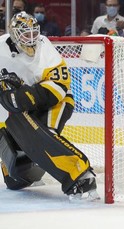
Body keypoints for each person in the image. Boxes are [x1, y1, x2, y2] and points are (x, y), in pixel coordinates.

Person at [0, 12, 99, 201]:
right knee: (14, 171)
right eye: (25, 34)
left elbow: (59, 86)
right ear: (14, 34)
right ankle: (27, 173)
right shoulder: (1, 48)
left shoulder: (43, 45)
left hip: (56, 102)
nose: (31, 39)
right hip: (23, 108)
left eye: (33, 33)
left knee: (43, 133)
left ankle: (79, 175)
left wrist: (20, 96)